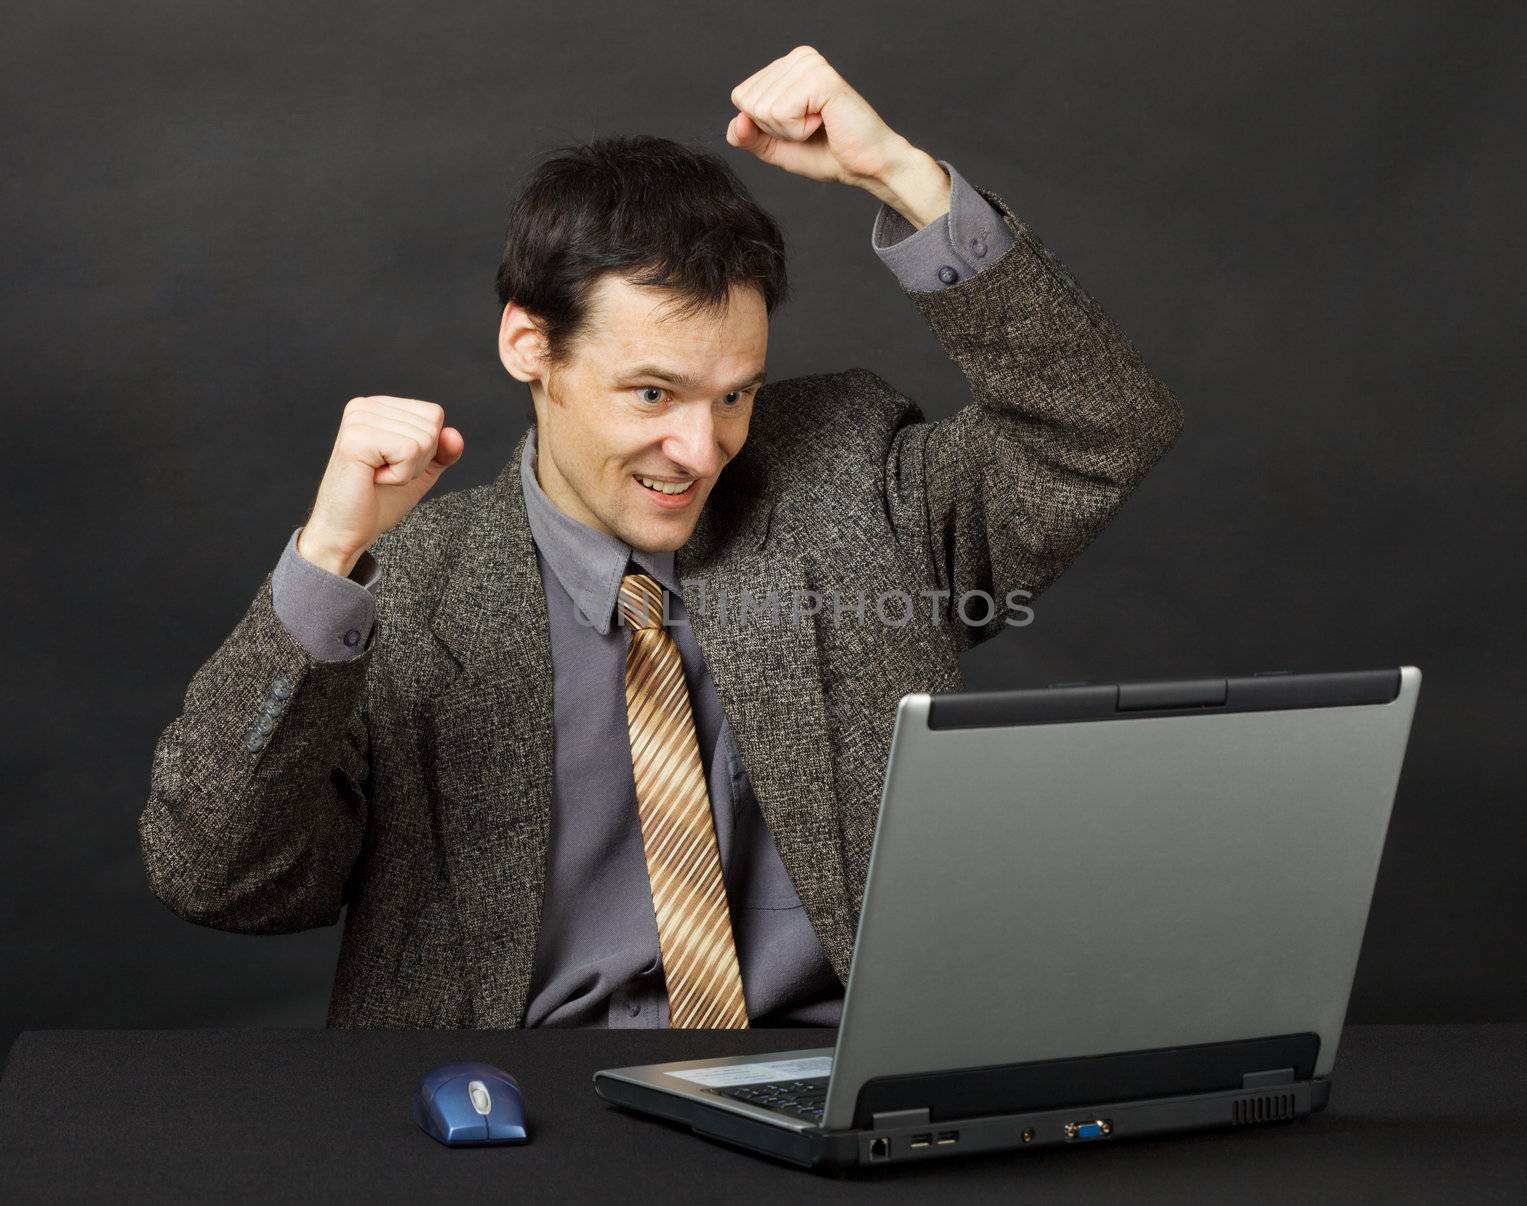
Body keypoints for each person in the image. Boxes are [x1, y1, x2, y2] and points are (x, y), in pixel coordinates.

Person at [140, 45, 1184, 1029]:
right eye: (652, 392)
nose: (699, 448)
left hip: (826, 1087)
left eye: (735, 395)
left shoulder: (853, 482)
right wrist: (327, 561)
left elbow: (1098, 427)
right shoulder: (399, 594)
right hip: (515, 1103)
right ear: (529, 346)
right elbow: (221, 879)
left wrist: (903, 179)